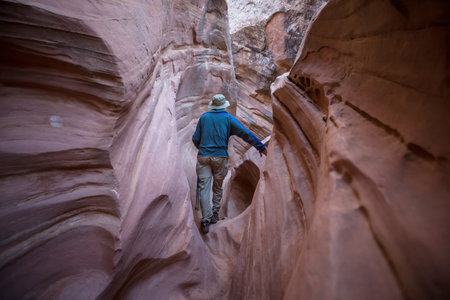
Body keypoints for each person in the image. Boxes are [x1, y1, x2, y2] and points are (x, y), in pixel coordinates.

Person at [192, 94, 267, 233]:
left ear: (213, 105)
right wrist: (260, 147)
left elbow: (195, 138)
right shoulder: (228, 119)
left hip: (203, 156)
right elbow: (246, 134)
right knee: (217, 187)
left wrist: (202, 149)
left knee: (204, 187)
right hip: (220, 157)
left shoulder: (204, 118)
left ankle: (205, 219)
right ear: (223, 106)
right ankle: (215, 213)